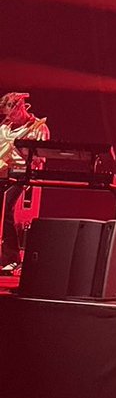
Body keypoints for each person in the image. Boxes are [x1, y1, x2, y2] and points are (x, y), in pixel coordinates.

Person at [0, 91, 50, 274]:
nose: (10, 117)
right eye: (7, 115)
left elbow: (41, 155)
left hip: (21, 173)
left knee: (6, 210)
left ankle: (12, 257)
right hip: (2, 172)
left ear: (21, 107)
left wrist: (32, 173)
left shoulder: (37, 127)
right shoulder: (5, 126)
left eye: (12, 113)